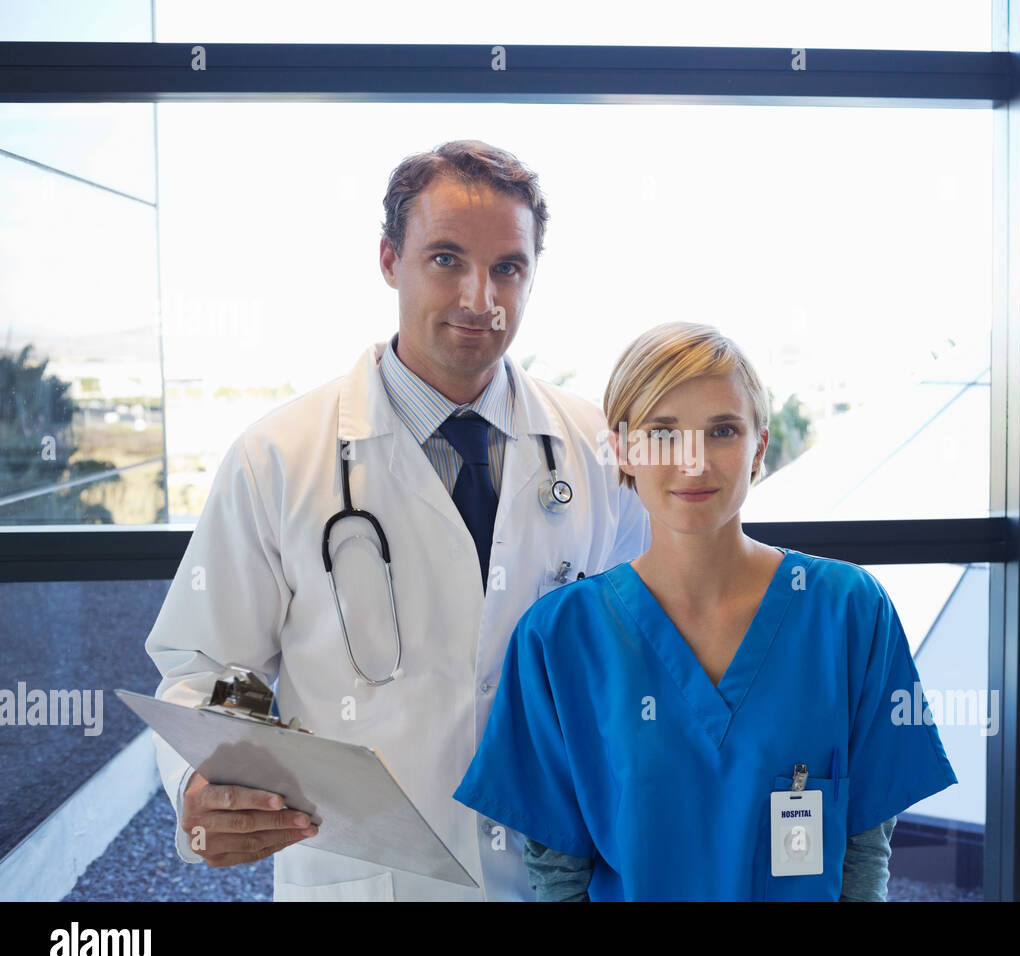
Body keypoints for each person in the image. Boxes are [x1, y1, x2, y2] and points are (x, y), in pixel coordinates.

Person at [145, 139, 650, 901]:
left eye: (508, 267)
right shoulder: (277, 460)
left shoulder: (599, 453)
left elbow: (651, 648)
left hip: (561, 879)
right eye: (446, 259)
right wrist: (202, 781)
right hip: (366, 880)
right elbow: (215, 672)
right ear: (389, 260)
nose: (480, 298)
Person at [454, 322, 958, 901]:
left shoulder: (849, 613)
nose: (694, 463)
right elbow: (557, 878)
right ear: (621, 450)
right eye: (662, 434)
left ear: (758, 448)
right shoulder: (559, 639)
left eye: (721, 431)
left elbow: (864, 854)